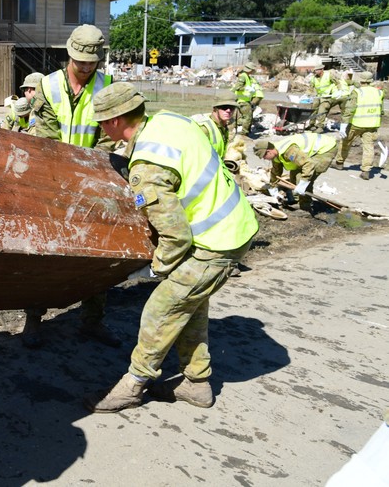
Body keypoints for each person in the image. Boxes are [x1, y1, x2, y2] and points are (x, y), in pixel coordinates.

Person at [84, 82, 258, 413]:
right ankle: (197, 383)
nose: (102, 128)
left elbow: (176, 237)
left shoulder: (147, 169)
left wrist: (153, 269)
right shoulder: (169, 120)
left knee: (161, 309)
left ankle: (133, 385)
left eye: (102, 122)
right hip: (236, 225)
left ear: (114, 121)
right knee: (189, 304)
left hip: (215, 243)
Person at [24, 24, 118, 349]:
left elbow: (108, 139)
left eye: (92, 62)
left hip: (94, 182)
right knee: (45, 255)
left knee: (96, 256)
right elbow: (45, 139)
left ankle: (93, 321)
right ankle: (33, 319)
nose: (87, 67)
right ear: (69, 55)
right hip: (53, 182)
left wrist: (93, 175)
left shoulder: (108, 87)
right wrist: (60, 179)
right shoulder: (47, 86)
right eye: (81, 61)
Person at [253, 133, 337, 212]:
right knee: (294, 175)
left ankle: (305, 207)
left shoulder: (289, 151)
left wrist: (303, 183)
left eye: (264, 156)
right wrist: (273, 187)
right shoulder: (275, 154)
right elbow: (276, 171)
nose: (264, 159)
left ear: (269, 151)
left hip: (325, 148)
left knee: (301, 178)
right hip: (312, 153)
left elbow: (309, 164)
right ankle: (297, 201)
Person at [332, 71, 385, 180]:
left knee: (345, 142)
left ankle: (339, 163)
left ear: (361, 80)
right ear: (371, 80)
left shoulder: (357, 92)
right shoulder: (379, 93)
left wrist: (343, 125)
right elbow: (381, 111)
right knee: (368, 147)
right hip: (372, 125)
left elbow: (349, 109)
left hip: (356, 124)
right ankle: (366, 171)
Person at [306, 64, 348, 132]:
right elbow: (310, 87)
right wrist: (308, 94)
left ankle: (320, 126)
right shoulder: (314, 78)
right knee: (314, 108)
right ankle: (311, 124)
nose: (315, 71)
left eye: (317, 70)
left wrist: (339, 90)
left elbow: (337, 83)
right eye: (315, 70)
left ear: (322, 69)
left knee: (322, 109)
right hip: (319, 96)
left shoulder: (328, 75)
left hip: (328, 96)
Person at [231, 62, 263, 136]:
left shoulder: (247, 77)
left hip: (246, 100)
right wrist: (247, 88)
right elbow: (237, 88)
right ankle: (244, 133)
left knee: (248, 117)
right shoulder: (243, 76)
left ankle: (245, 131)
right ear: (250, 70)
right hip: (242, 101)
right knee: (248, 118)